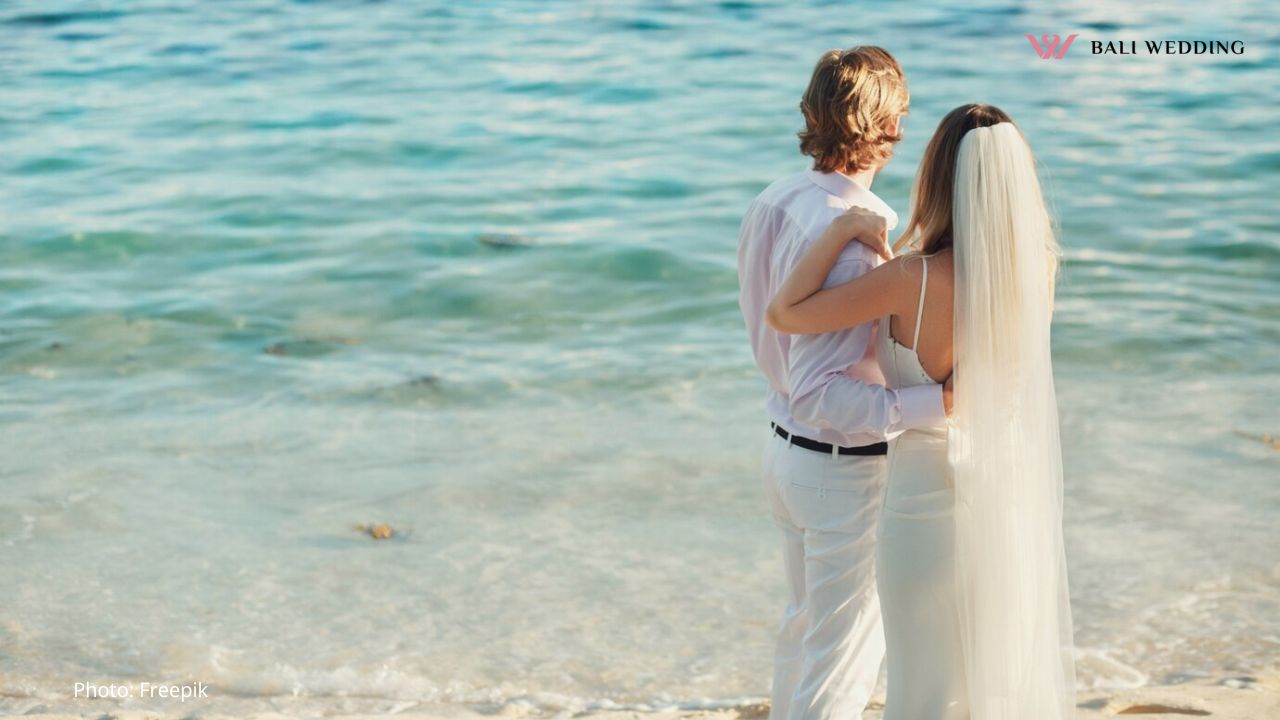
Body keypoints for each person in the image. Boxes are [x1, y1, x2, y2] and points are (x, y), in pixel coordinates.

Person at [767, 104, 1076, 719]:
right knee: (984, 676)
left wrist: (841, 232)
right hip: (1005, 493)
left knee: (921, 684)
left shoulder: (912, 278)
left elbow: (787, 313)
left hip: (922, 500)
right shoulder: (1037, 271)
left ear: (936, 177)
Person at [736, 46, 950, 720]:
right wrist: (934, 404)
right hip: (837, 468)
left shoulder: (775, 199)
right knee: (842, 654)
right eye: (901, 117)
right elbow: (821, 392)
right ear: (887, 128)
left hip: (784, 454)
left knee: (806, 633)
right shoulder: (857, 239)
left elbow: (779, 351)